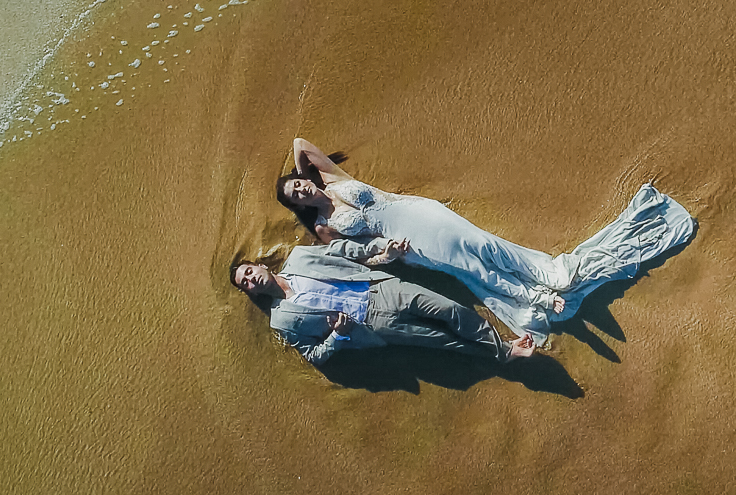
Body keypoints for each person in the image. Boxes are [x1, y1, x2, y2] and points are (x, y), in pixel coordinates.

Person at [276, 138, 696, 343]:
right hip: (407, 243)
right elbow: (362, 258)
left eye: (297, 185)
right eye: (294, 195)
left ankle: (543, 276)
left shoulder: (333, 179)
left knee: (484, 244)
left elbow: (300, 144)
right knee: (469, 268)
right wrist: (386, 254)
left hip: (421, 212)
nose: (300, 190)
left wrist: (305, 176)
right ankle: (534, 295)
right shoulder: (323, 227)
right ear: (300, 209)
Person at [231, 236, 537, 367]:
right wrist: (338, 335)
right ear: (252, 293)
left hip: (380, 288)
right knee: (440, 340)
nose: (250, 279)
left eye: (248, 272)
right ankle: (506, 353)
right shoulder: (281, 320)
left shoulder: (300, 256)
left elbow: (342, 250)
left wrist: (381, 249)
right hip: (373, 326)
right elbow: (314, 355)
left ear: (260, 266)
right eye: (245, 283)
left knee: (450, 310)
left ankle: (499, 346)